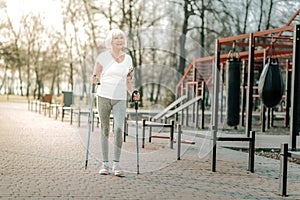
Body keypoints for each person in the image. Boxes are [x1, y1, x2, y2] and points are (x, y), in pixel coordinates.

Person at [91, 29, 139, 176]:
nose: (119, 40)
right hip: (103, 95)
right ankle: (105, 164)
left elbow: (128, 81)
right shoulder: (103, 57)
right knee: (105, 129)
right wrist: (94, 79)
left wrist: (133, 93)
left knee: (119, 128)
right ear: (110, 41)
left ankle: (116, 165)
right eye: (116, 38)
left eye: (121, 38)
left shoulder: (129, 59)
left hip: (120, 97)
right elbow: (95, 75)